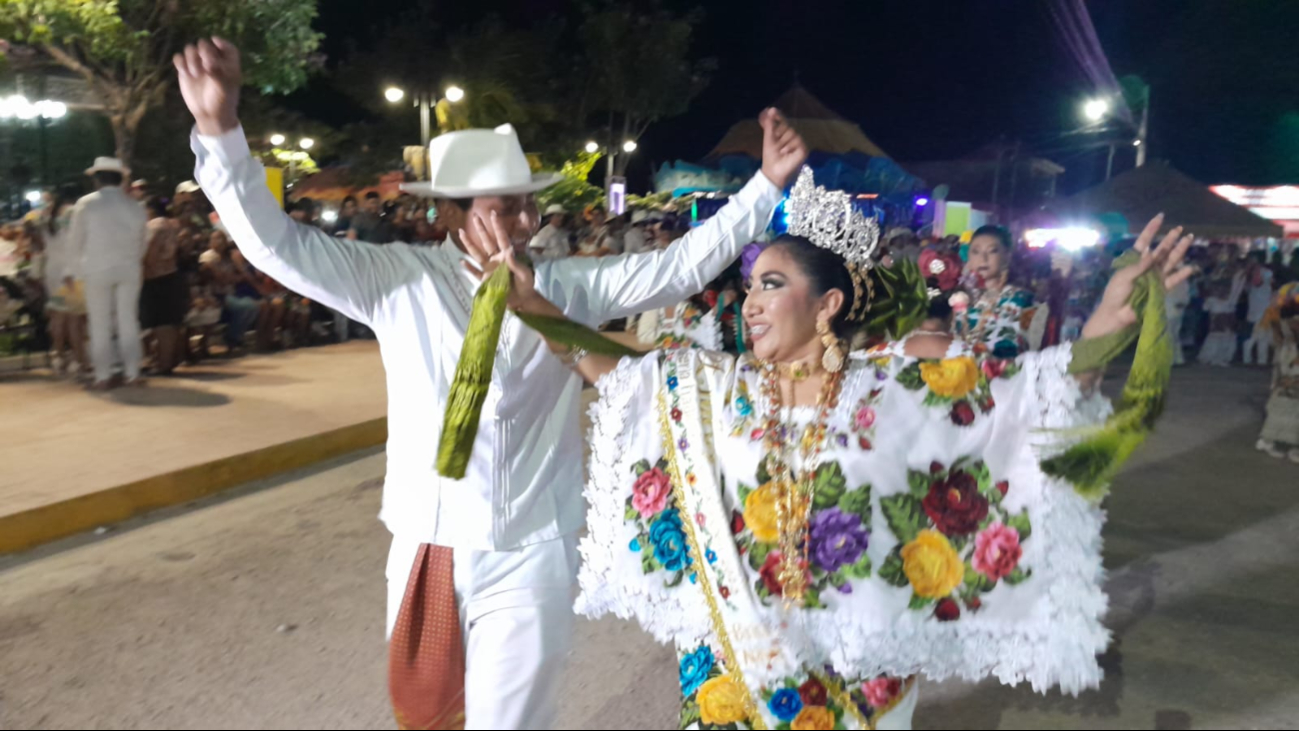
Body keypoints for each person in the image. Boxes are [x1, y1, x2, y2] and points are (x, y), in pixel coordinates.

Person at [175, 36, 807, 730]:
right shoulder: (399, 280)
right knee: (429, 717)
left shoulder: (564, 285)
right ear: (453, 212)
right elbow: (277, 245)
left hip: (533, 547)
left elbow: (679, 267)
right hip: (428, 543)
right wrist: (220, 130)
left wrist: (765, 187)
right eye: (503, 207)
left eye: (526, 205)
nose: (526, 222)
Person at [488, 170, 1194, 729]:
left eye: (772, 284)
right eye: (747, 287)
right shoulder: (712, 389)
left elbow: (1030, 392)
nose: (750, 302)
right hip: (733, 675)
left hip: (859, 682)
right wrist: (530, 304)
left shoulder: (897, 390)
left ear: (826, 305)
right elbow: (615, 373)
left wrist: (1111, 315)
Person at [66, 157, 148, 390]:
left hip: (97, 268)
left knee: (99, 323)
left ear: (98, 179)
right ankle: (132, 373)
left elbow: (75, 241)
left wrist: (72, 270)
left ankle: (103, 375)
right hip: (129, 268)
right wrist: (133, 261)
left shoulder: (86, 203)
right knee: (128, 320)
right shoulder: (135, 206)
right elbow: (143, 241)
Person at [956, 225, 1034, 358]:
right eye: (976, 251)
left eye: (992, 251)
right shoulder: (956, 297)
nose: (983, 258)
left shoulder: (1022, 299)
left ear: (1007, 256)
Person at [39, 186, 89, 379]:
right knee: (73, 320)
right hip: (69, 271)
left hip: (52, 270)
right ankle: (79, 361)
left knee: (58, 316)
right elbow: (74, 243)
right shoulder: (71, 213)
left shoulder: (46, 216)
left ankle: (58, 355)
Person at [140, 197, 188, 374]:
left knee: (161, 324)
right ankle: (167, 361)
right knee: (169, 323)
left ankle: (163, 364)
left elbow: (149, 255)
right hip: (172, 276)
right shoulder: (172, 225)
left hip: (157, 278)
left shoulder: (154, 226)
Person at [199, 230, 260, 355]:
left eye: (222, 238)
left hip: (230, 293)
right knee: (247, 306)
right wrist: (229, 278)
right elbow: (221, 279)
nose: (219, 241)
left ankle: (234, 337)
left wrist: (230, 278)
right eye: (215, 239)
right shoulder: (208, 256)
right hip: (215, 294)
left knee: (253, 306)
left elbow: (237, 277)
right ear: (210, 242)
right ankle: (232, 337)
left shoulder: (228, 257)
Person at [1256, 298, 1299, 462]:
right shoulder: (1286, 324)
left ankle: (1293, 447)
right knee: (1283, 406)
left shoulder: (1282, 322)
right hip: (1289, 368)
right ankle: (1266, 441)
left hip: (1288, 366)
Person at [1243, 254, 1275, 365]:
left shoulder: (1249, 274)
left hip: (1258, 309)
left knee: (1259, 336)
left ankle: (1259, 359)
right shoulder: (1264, 273)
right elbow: (1259, 284)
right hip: (1261, 309)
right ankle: (1257, 359)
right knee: (1258, 336)